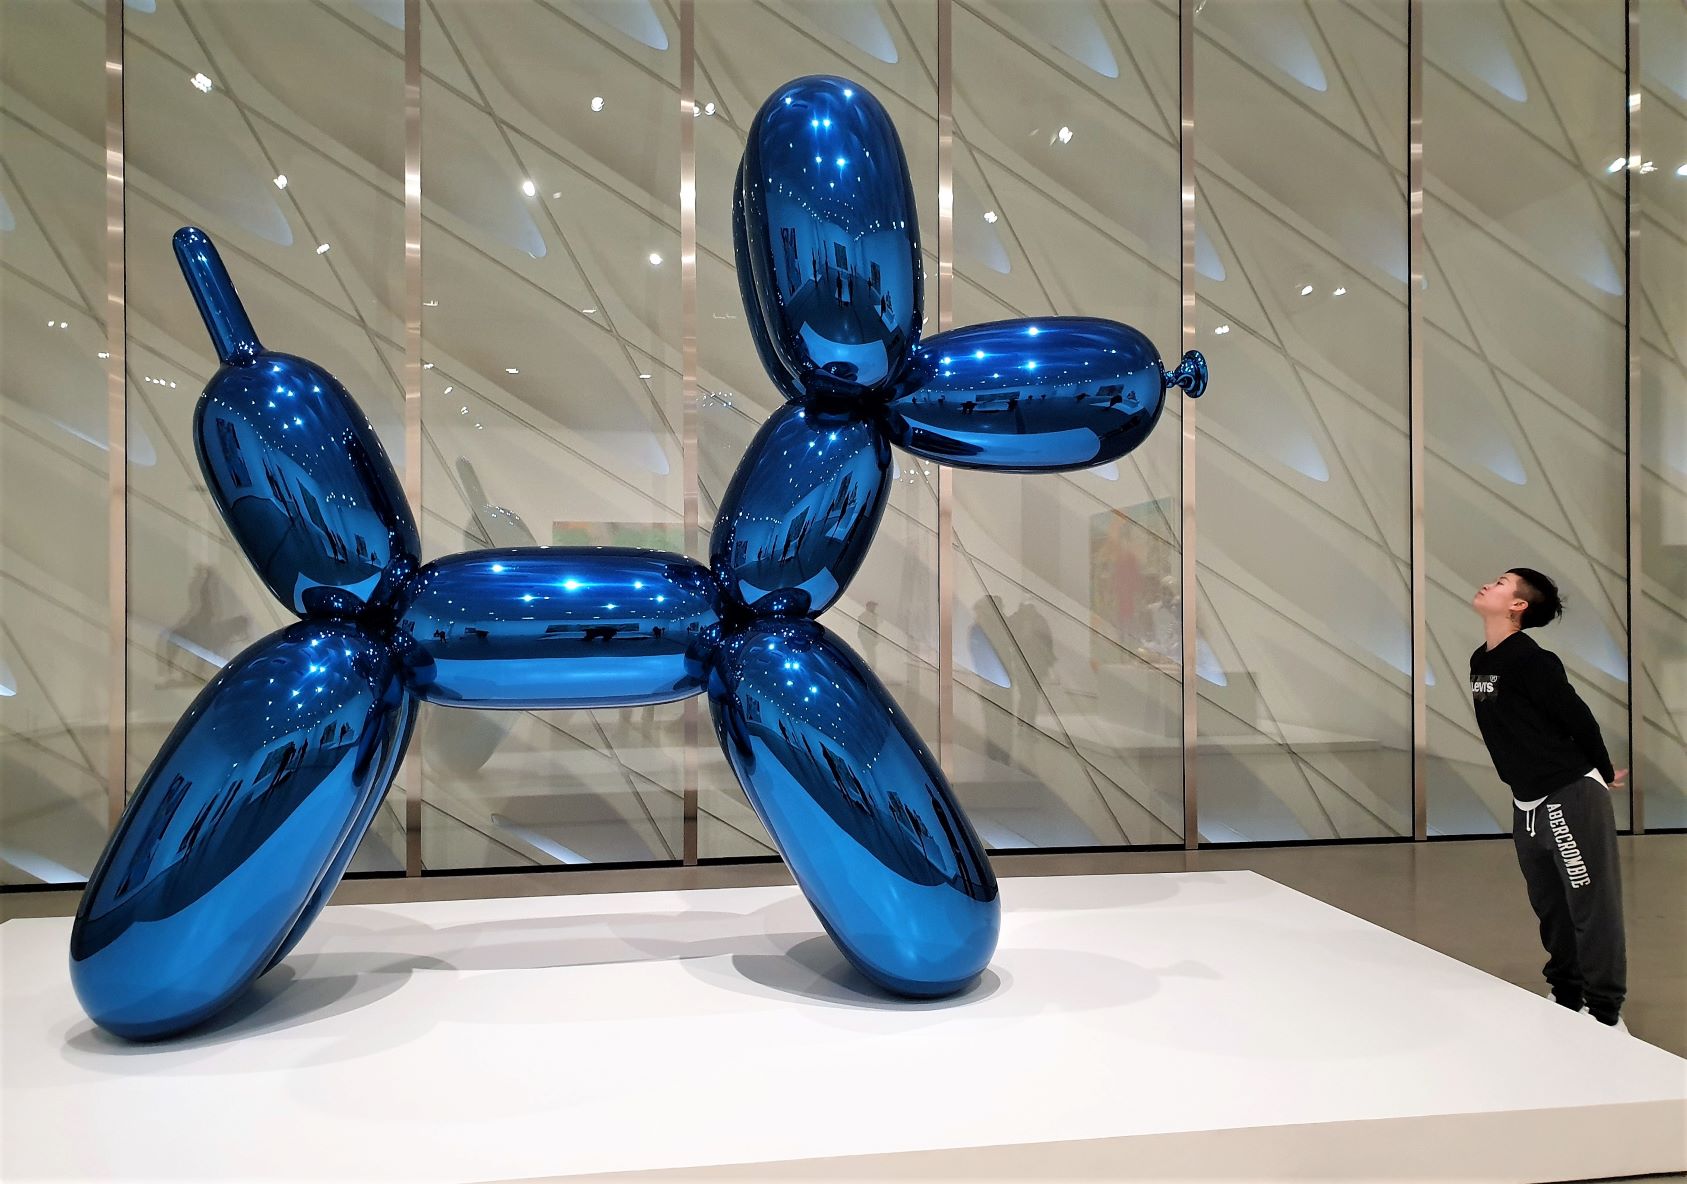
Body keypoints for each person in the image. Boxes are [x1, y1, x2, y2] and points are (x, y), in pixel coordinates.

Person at [1470, 568, 1628, 1031]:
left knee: (1590, 905)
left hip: (1567, 793)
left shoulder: (1533, 660)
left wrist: (1600, 771)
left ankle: (1604, 1012)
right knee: (1551, 906)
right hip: (1526, 800)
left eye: (1502, 583)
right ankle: (1566, 994)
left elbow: (1577, 717)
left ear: (1518, 605)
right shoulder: (1482, 658)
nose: (1489, 584)